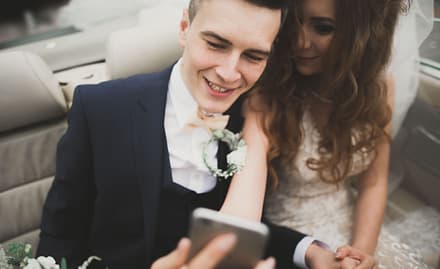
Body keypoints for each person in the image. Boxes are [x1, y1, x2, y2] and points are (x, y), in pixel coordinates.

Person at [36, 0, 378, 268]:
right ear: (185, 27)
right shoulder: (100, 108)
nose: (230, 73)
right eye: (216, 44)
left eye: (254, 56)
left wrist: (311, 250)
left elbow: (244, 231)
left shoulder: (253, 118)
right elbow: (60, 236)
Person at [252, 0, 434, 268]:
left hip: (352, 225)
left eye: (323, 28)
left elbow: (373, 182)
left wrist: (359, 253)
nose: (300, 42)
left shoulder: (380, 88)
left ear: (359, 34)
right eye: (293, 23)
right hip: (289, 235)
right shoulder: (269, 88)